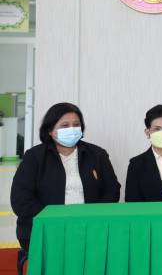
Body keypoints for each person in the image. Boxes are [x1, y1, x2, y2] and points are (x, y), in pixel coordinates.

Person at [10, 103, 120, 250]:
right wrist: (57, 217)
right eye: (65, 125)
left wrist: (93, 216)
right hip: (45, 229)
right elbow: (21, 200)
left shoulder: (97, 154)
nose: (72, 129)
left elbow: (112, 190)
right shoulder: (34, 157)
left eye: (76, 125)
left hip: (90, 228)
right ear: (50, 130)